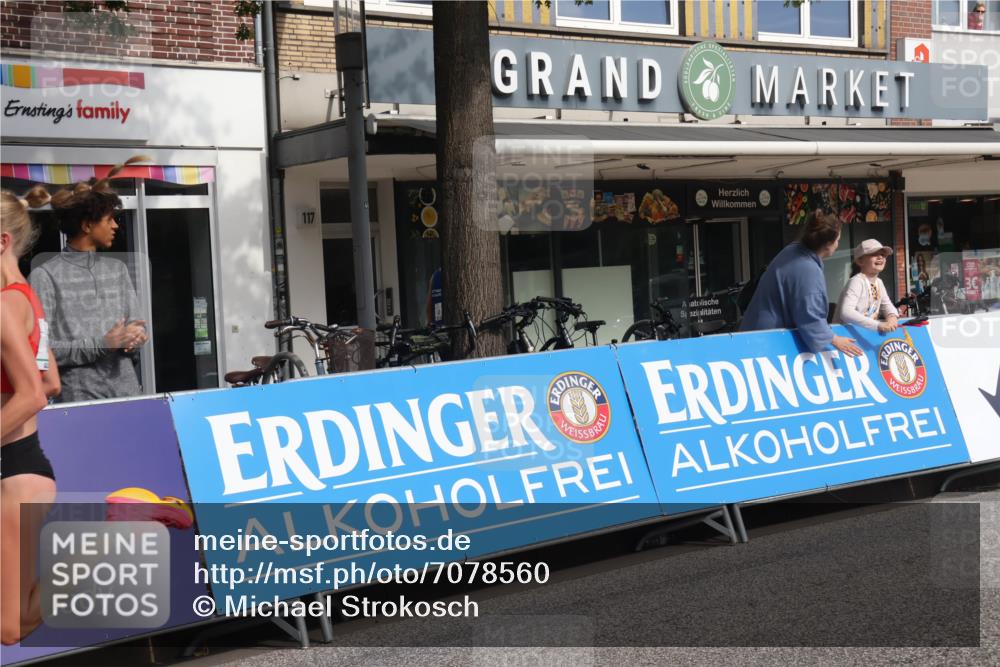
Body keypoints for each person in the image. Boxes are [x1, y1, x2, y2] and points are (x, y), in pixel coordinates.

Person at [29, 159, 148, 402]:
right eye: (109, 219)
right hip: (78, 403)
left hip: (128, 396)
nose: (116, 225)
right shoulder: (45, 276)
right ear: (86, 225)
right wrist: (102, 344)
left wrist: (136, 336)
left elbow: (136, 324)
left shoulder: (118, 269)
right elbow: (42, 350)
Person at [1, 188, 60, 645]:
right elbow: (51, 382)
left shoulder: (5, 304)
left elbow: (34, 396)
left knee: (7, 627)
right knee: (14, 626)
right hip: (26, 466)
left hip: (14, 471)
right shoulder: (29, 300)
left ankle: (115, 529)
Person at [740, 211, 862, 357]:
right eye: (837, 240)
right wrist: (834, 339)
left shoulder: (792, 250)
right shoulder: (808, 270)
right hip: (767, 343)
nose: (838, 244)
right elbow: (810, 317)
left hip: (754, 334)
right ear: (828, 245)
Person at [833, 240, 900, 333]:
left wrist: (892, 317)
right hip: (845, 335)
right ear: (860, 261)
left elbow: (887, 306)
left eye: (883, 255)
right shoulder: (857, 281)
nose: (880, 257)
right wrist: (878, 325)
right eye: (874, 254)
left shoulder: (879, 282)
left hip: (862, 333)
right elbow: (846, 312)